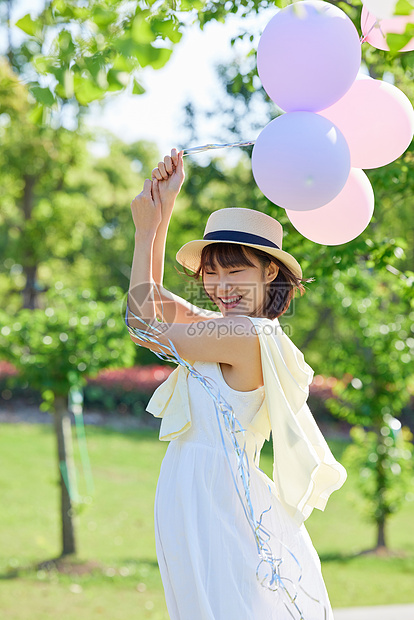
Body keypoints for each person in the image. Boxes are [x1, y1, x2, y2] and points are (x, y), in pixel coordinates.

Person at [126, 148, 347, 620]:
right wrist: (161, 214)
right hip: (199, 490)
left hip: (215, 495)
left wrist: (147, 229)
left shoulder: (245, 334)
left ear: (270, 271)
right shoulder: (230, 329)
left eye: (236, 270)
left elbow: (142, 324)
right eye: (212, 272)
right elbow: (147, 307)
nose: (221, 286)